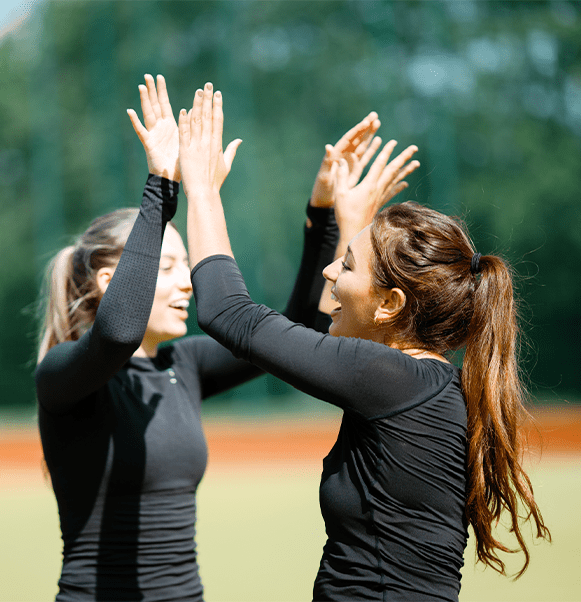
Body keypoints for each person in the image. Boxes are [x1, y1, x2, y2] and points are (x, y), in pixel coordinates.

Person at [34, 75, 413, 601]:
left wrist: (324, 215)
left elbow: (300, 325)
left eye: (185, 265)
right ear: (107, 282)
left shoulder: (181, 366)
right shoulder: (63, 374)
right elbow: (117, 334)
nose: (187, 281)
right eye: (167, 267)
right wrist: (161, 186)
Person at [178, 84, 551, 601]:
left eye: (347, 265)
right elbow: (328, 319)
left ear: (391, 305)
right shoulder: (421, 380)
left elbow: (227, 312)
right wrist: (339, 217)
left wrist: (199, 188)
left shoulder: (388, 378)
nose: (332, 271)